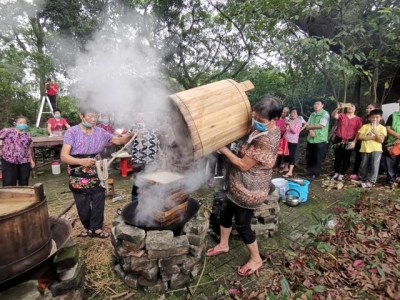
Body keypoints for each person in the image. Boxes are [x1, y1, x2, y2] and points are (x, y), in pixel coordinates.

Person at [205, 95, 282, 277]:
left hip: (250, 190)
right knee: (225, 213)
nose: (255, 121)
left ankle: (256, 259)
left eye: (260, 120)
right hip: (236, 184)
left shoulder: (266, 140)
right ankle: (224, 245)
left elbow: (243, 165)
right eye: (254, 116)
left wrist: (223, 149)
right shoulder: (260, 129)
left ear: (275, 120)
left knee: (242, 225)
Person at [61, 106, 137, 238]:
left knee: (98, 199)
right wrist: (81, 162)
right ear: (81, 116)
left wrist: (131, 135)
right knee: (82, 201)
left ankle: (96, 228)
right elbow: (64, 156)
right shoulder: (72, 132)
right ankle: (87, 227)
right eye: (90, 116)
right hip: (78, 172)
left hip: (97, 170)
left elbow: (118, 140)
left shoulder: (100, 132)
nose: (93, 119)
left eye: (95, 117)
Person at [350, 103, 384, 180]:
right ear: (370, 118)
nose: (368, 109)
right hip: (363, 145)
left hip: (375, 147)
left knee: (374, 163)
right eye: (367, 108)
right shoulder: (363, 119)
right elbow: (359, 134)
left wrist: (375, 135)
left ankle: (371, 179)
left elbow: (381, 138)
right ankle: (360, 175)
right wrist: (355, 141)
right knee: (361, 161)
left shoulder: (381, 123)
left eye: (370, 108)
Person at [330, 103, 363, 181]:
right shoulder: (342, 115)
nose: (350, 107)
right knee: (337, 157)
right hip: (339, 139)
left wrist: (354, 142)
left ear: (355, 108)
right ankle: (336, 173)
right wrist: (337, 108)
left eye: (352, 106)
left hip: (350, 140)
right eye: (348, 106)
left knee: (346, 157)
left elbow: (359, 131)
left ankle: (342, 174)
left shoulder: (358, 119)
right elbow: (333, 115)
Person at [0, 116, 35, 186]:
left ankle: (22, 196)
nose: (22, 124)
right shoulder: (7, 131)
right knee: (9, 182)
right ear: (15, 123)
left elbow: (28, 148)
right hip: (9, 160)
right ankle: (8, 196)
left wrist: (31, 160)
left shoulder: (27, 135)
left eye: (24, 123)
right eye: (20, 122)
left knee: (24, 181)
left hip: (24, 161)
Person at [357, 109, 386, 188]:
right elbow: (360, 137)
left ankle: (371, 182)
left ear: (381, 118)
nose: (375, 119)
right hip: (365, 149)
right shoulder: (365, 126)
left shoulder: (382, 128)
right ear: (369, 118)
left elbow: (381, 140)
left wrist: (376, 132)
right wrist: (374, 137)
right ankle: (364, 179)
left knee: (374, 166)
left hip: (376, 150)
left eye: (377, 117)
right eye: (373, 117)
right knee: (363, 165)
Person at [305, 100, 330, 180]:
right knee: (309, 156)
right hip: (311, 139)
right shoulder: (312, 114)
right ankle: (309, 172)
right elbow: (307, 124)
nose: (316, 105)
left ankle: (315, 174)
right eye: (315, 104)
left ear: (322, 105)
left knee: (317, 157)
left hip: (320, 139)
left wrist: (310, 128)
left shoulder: (325, 114)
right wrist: (310, 130)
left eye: (318, 104)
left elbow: (321, 125)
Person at [281, 107, 303, 177]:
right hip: (286, 140)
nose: (292, 114)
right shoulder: (288, 120)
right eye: (292, 112)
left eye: (294, 113)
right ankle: (285, 168)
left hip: (293, 141)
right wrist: (285, 126)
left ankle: (290, 171)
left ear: (298, 114)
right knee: (286, 154)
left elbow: (295, 131)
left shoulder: (299, 121)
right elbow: (284, 130)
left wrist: (290, 125)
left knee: (291, 155)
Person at [385, 109, 400, 187]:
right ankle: (391, 181)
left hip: (398, 142)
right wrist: (398, 136)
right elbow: (388, 128)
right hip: (392, 143)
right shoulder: (393, 115)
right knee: (391, 162)